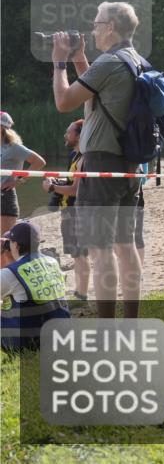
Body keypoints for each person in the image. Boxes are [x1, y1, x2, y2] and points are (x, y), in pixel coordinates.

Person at [50, 1, 144, 319]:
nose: (93, 28)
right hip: (129, 166)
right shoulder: (134, 61)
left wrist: (59, 63)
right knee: (125, 245)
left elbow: (65, 101)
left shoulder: (109, 62)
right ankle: (130, 320)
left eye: (97, 23)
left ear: (111, 28)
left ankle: (106, 327)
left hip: (102, 164)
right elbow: (97, 94)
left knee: (101, 250)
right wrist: (79, 60)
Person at [1, 221, 70, 352]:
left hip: (28, 343)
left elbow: (11, 278)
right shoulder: (52, 262)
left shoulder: (9, 274)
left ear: (15, 245)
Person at [43, 119, 88, 301]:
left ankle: (82, 295)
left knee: (80, 254)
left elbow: (77, 190)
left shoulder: (84, 159)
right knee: (76, 254)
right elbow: (70, 183)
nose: (65, 135)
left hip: (78, 212)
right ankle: (80, 291)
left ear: (79, 136)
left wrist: (52, 188)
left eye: (69, 132)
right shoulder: (73, 156)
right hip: (67, 210)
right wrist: (56, 182)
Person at [1, 112, 46, 267]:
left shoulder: (13, 148)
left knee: (7, 245)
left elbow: (39, 162)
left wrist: (18, 181)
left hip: (5, 198)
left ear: (2, 128)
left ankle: (9, 281)